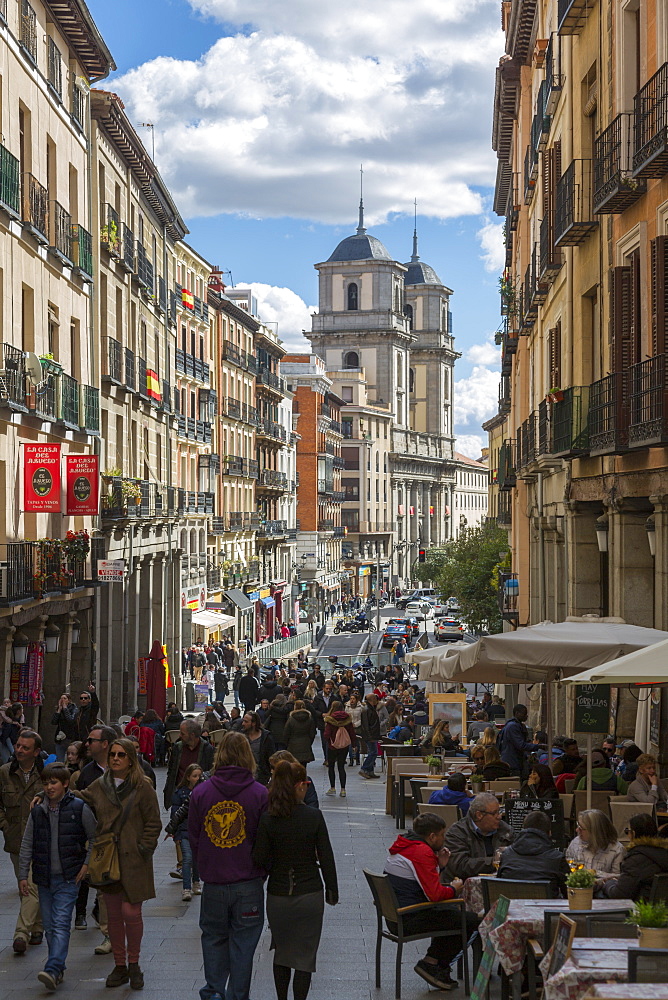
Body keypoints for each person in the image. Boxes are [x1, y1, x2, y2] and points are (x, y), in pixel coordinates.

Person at [188, 732, 268, 1000]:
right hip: (248, 881)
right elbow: (263, 839)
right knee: (244, 945)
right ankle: (237, 995)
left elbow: (195, 836)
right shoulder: (259, 794)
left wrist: (206, 866)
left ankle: (213, 992)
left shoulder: (200, 792)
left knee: (213, 938)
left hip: (214, 881)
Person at [77, 738, 161, 989]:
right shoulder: (100, 785)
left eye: (121, 754)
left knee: (131, 912)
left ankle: (134, 964)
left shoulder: (142, 786)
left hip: (134, 859)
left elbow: (153, 823)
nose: (115, 758)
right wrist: (45, 793)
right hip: (108, 859)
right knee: (113, 914)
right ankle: (120, 965)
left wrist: (144, 848)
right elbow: (80, 798)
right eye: (112, 754)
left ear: (131, 758)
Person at [253, 761, 338, 1000]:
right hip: (309, 892)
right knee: (305, 955)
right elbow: (327, 857)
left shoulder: (269, 818)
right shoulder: (313, 817)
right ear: (300, 786)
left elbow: (259, 857)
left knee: (281, 951)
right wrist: (332, 891)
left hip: (278, 894)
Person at [18, 763, 97, 991]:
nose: (49, 787)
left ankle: (52, 966)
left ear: (64, 784)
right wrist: (24, 874)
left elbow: (94, 836)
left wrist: (86, 864)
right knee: (51, 926)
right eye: (45, 783)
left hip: (68, 876)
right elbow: (27, 843)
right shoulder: (38, 810)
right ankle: (58, 967)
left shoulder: (79, 808)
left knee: (61, 922)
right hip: (43, 877)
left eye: (53, 782)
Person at [384, 812, 479, 992]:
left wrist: (440, 865)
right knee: (470, 920)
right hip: (408, 917)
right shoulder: (422, 851)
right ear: (432, 836)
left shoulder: (406, 844)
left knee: (452, 913)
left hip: (396, 915)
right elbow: (434, 894)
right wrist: (454, 888)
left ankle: (434, 963)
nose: (445, 838)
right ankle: (433, 964)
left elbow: (423, 883)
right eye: (443, 834)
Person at [0, 729, 45, 953]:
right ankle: (37, 927)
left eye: (25, 747)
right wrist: (5, 825)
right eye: (18, 745)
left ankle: (21, 932)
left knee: (32, 884)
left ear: (36, 752)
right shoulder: (5, 772)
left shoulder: (46, 774)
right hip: (16, 837)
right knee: (23, 884)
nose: (19, 750)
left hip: (41, 839)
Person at [497, 810, 569, 897]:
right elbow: (571, 894)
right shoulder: (557, 859)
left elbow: (498, 887)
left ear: (523, 830)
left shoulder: (507, 855)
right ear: (549, 833)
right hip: (544, 909)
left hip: (513, 909)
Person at [443, 792, 514, 880]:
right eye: (494, 813)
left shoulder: (505, 830)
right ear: (479, 815)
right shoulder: (457, 833)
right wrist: (493, 861)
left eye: (499, 812)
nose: (499, 816)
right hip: (464, 886)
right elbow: (460, 865)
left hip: (499, 883)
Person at [604, 813, 668, 901]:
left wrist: (608, 883)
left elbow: (619, 895)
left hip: (639, 908)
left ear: (633, 834)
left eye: (627, 831)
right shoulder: (662, 852)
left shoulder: (636, 859)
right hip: (659, 910)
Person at [166, 763, 204, 901]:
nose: (198, 778)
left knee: (196, 859)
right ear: (188, 777)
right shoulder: (179, 793)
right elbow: (175, 814)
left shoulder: (203, 792)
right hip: (184, 830)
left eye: (200, 776)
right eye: (195, 776)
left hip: (198, 831)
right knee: (187, 858)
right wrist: (174, 832)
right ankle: (186, 888)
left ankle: (196, 882)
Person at [163, 720, 215, 810]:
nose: (180, 736)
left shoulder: (208, 750)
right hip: (179, 795)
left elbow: (211, 773)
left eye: (183, 734)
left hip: (199, 795)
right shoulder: (177, 748)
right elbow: (171, 771)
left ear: (192, 735)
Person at [566, 809, 625, 879]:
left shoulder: (617, 850)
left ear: (595, 832)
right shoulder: (575, 843)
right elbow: (567, 870)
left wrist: (595, 873)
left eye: (581, 828)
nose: (577, 830)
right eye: (578, 825)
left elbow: (618, 879)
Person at [323, 701, 356, 798]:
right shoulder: (347, 719)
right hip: (344, 746)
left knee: (331, 767)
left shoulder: (330, 719)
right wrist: (354, 744)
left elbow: (326, 734)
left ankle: (332, 787)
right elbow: (352, 733)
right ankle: (343, 790)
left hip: (332, 746)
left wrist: (328, 741)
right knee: (341, 767)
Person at [498, 704, 536, 778]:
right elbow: (520, 745)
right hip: (513, 762)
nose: (526, 716)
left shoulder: (517, 725)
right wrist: (537, 746)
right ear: (517, 713)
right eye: (524, 714)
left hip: (515, 761)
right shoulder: (513, 726)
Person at [241, 712, 275, 785]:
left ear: (253, 723)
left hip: (262, 776)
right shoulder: (241, 737)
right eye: (243, 721)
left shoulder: (266, 737)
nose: (243, 724)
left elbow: (271, 756)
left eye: (246, 721)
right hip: (244, 775)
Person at [283, 700, 317, 767]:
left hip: (293, 744)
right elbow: (312, 733)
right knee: (303, 766)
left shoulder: (291, 719)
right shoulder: (309, 718)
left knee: (294, 766)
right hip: (305, 743)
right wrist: (309, 742)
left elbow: (286, 733)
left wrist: (287, 744)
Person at [359, 694, 380, 779]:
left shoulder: (371, 708)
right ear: (372, 699)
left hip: (373, 734)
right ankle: (364, 769)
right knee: (373, 752)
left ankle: (370, 771)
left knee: (373, 752)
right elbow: (365, 725)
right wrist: (369, 736)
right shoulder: (366, 709)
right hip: (370, 735)